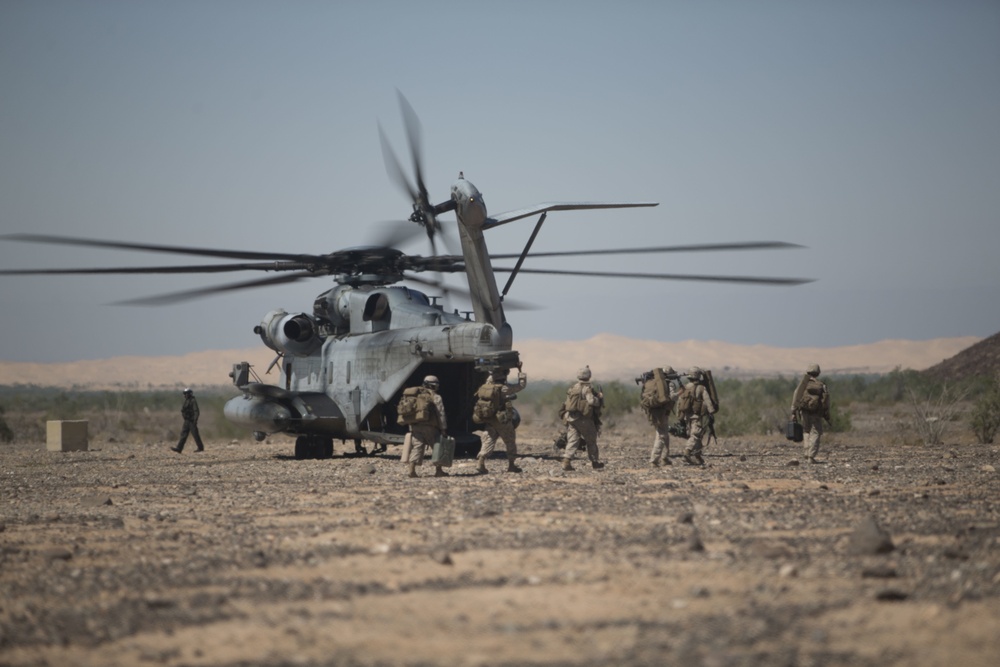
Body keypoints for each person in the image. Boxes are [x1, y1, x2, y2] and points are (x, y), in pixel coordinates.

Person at [474, 365, 527, 474]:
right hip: (501, 419)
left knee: (488, 440)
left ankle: (481, 463)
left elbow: (491, 378)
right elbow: (521, 385)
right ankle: (512, 466)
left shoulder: (485, 386)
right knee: (510, 441)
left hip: (490, 418)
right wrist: (520, 371)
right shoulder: (504, 388)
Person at [402, 375, 449, 478]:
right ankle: (439, 471)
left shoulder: (415, 395)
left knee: (417, 447)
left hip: (415, 426)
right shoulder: (436, 397)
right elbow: (440, 413)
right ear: (433, 386)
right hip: (430, 427)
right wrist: (443, 428)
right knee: (437, 448)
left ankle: (412, 470)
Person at [560, 366, 604, 471]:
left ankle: (566, 461)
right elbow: (591, 401)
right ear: (589, 375)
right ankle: (595, 462)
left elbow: (567, 403)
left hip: (571, 418)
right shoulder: (587, 388)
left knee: (572, 440)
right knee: (591, 440)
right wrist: (599, 398)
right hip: (583, 419)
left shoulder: (573, 387)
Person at [791, 363, 831, 463]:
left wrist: (793, 411)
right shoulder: (821, 385)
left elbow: (796, 396)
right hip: (816, 413)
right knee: (816, 432)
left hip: (803, 411)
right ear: (818, 373)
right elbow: (826, 400)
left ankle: (806, 453)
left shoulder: (803, 384)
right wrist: (826, 413)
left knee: (806, 431)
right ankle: (811, 456)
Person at [641, 366, 681, 467]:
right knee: (662, 435)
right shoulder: (669, 384)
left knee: (664, 434)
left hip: (654, 412)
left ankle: (665, 457)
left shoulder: (653, 383)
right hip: (662, 412)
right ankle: (654, 460)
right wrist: (680, 393)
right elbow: (673, 397)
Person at [678, 367, 716, 465]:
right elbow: (707, 401)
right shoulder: (700, 388)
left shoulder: (685, 387)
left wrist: (680, 416)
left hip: (687, 416)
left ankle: (698, 456)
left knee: (696, 435)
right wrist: (712, 411)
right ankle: (687, 453)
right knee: (695, 435)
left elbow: (679, 403)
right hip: (696, 415)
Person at [172, 388, 204, 453]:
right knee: (183, 434)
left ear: (189, 394)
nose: (184, 395)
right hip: (187, 421)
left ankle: (200, 448)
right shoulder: (186, 401)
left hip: (192, 421)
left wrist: (195, 420)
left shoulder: (193, 400)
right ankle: (179, 448)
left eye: (186, 394)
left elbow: (196, 411)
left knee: (195, 435)